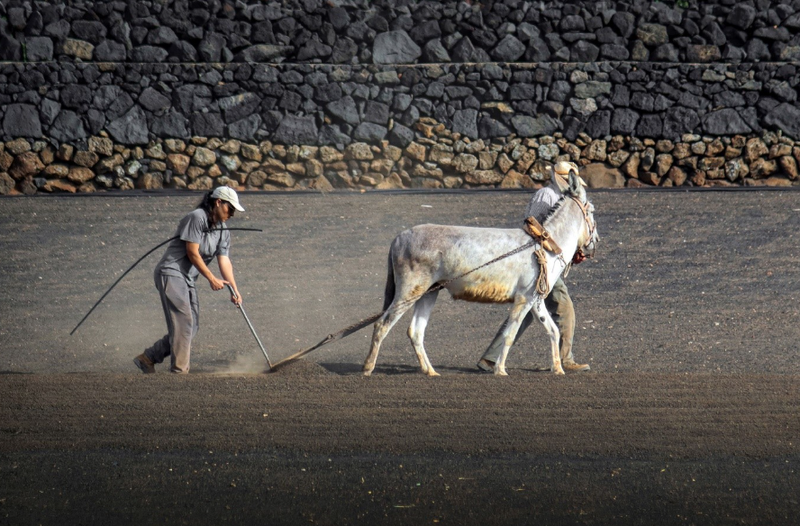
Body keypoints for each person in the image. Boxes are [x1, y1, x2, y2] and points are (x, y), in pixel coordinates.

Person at [477, 161, 591, 373]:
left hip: (550, 259)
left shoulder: (564, 198)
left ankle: (490, 358)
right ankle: (565, 360)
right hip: (539, 260)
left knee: (528, 309)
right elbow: (532, 225)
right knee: (563, 305)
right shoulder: (546, 195)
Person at [134, 186, 245, 374]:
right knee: (184, 321)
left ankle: (149, 357)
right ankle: (179, 371)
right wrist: (211, 278)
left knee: (191, 327)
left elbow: (224, 260)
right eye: (230, 208)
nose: (232, 214)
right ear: (218, 202)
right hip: (170, 272)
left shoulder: (223, 229)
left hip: (188, 278)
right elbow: (192, 253)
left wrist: (234, 290)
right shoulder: (197, 217)